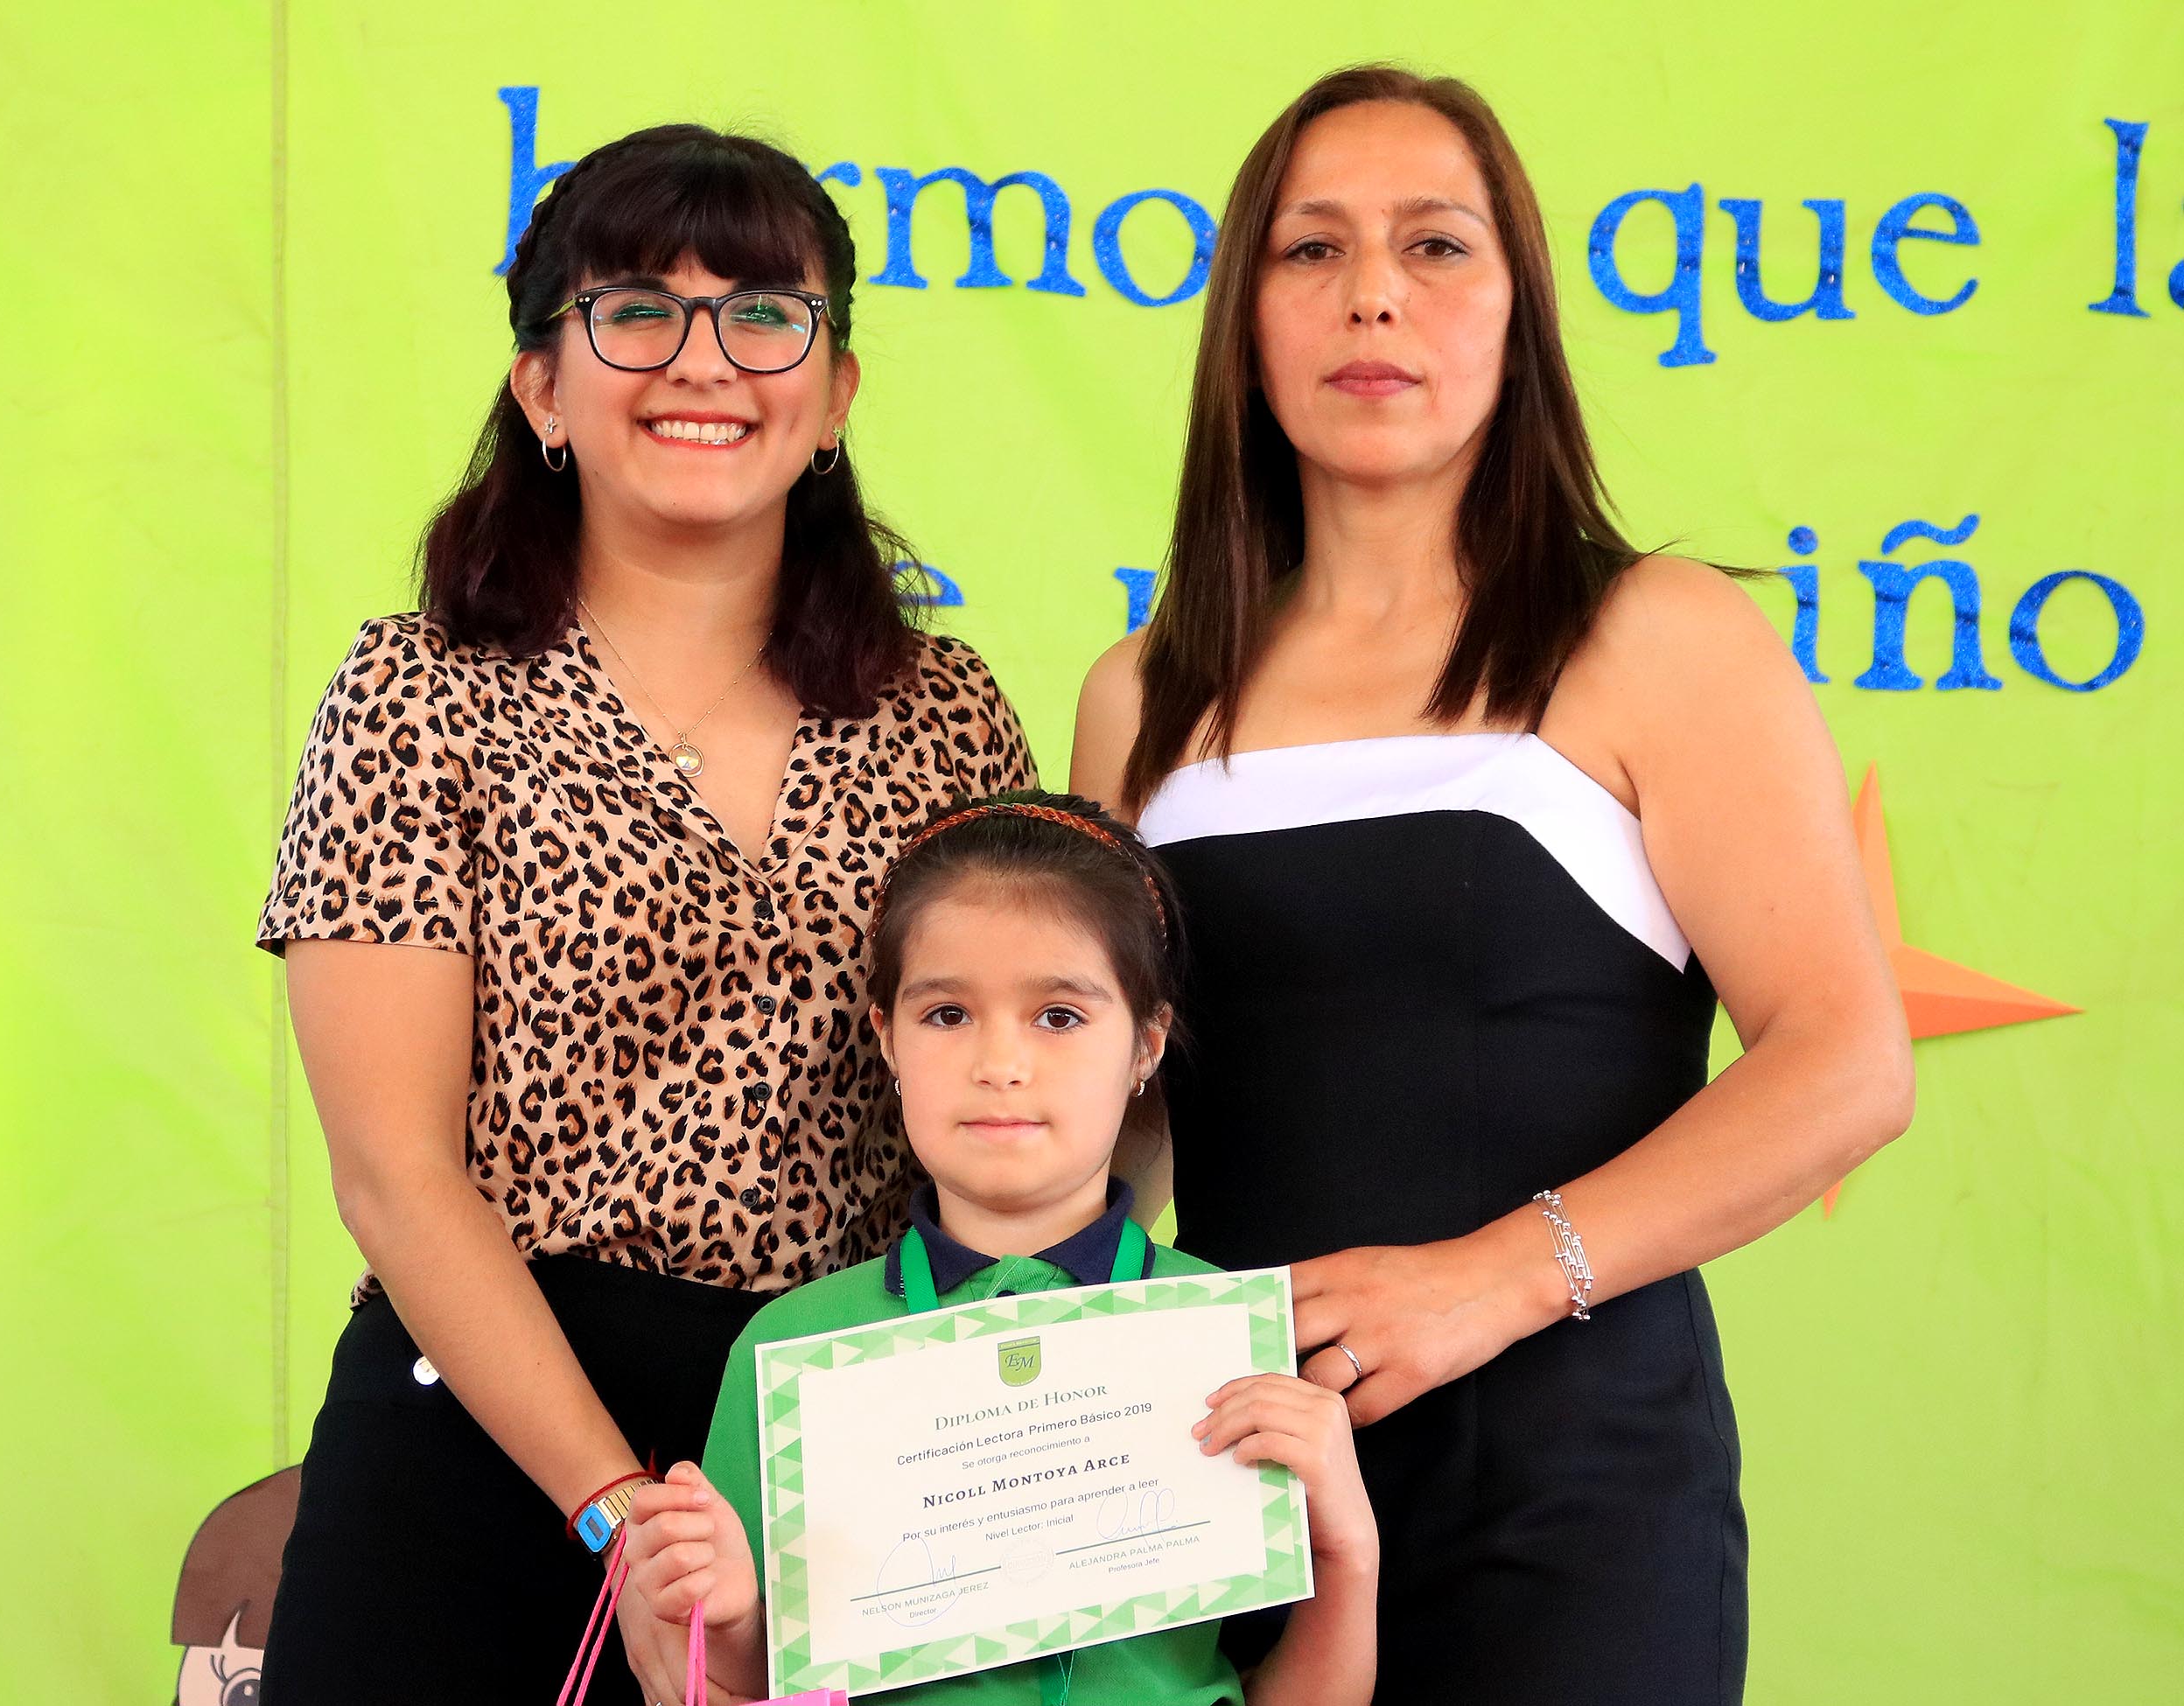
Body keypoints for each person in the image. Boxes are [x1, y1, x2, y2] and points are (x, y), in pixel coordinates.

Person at [1069, 66, 1915, 1704]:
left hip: (1574, 1507)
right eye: (1312, 249)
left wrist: (1493, 1280)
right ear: (1244, 321)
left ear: (1519, 316)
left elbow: (1847, 1063)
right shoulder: (1142, 693)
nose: (1373, 293)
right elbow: (1123, 1132)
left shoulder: (1656, 636)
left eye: (1437, 245)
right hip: (1237, 1496)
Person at [254, 124, 1033, 1705]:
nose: (704, 360)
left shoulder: (949, 714)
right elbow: (395, 1175)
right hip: (486, 1452)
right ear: (543, 385)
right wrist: (620, 1515)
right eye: (635, 310)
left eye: (763, 313)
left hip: (837, 1464)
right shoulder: (418, 691)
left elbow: (1037, 1103)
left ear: (834, 392)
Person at [620, 793, 1380, 1703]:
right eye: (948, 1014)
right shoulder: (791, 1353)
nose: (999, 1065)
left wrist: (1348, 1549)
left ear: (1146, 1043)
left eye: (1058, 1016)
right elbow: (755, 1679)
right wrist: (729, 1619)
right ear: (886, 1036)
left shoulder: (1223, 1335)